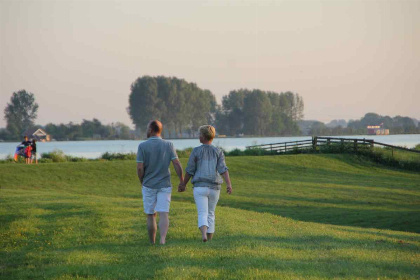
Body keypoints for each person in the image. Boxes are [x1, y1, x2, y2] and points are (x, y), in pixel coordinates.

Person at [179, 125, 232, 242]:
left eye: (199, 134)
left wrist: (183, 184)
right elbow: (223, 169)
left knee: (202, 212)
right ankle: (209, 238)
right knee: (211, 213)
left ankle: (203, 234)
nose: (198, 136)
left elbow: (190, 170)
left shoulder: (196, 151)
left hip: (199, 187)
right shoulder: (218, 151)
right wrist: (229, 184)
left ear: (203, 137)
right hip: (214, 188)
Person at [136, 120, 184, 245]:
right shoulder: (169, 145)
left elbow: (140, 168)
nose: (147, 130)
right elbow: (177, 164)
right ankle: (162, 240)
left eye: (147, 128)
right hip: (165, 185)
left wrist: (142, 180)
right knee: (164, 213)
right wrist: (181, 180)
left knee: (151, 214)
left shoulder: (142, 146)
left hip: (148, 184)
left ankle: (152, 242)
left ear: (151, 130)